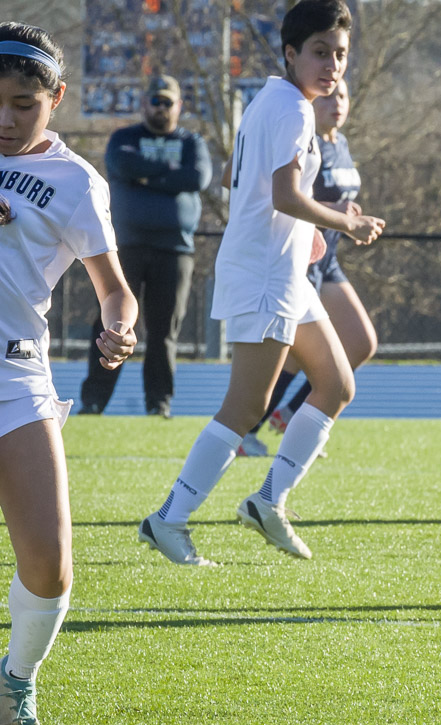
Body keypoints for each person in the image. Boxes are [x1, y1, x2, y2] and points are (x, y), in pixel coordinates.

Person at [138, 0, 383, 566]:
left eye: (341, 54)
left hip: (283, 271)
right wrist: (347, 221)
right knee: (245, 407)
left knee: (337, 385)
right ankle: (168, 520)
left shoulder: (271, 100)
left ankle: (268, 502)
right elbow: (283, 195)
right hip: (266, 277)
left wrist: (304, 237)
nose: (332, 65)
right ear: (292, 53)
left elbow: (238, 179)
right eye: (321, 52)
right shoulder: (295, 111)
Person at [0, 23, 138, 725]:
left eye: (23, 103)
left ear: (55, 99)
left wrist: (118, 329)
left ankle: (17, 679)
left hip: (11, 377)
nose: (3, 117)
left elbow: (115, 291)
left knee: (50, 564)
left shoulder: (76, 183)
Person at [239, 76, 382, 457]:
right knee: (286, 357)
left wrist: (346, 220)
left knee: (361, 341)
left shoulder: (341, 144)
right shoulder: (303, 138)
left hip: (327, 258)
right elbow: (280, 193)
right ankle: (246, 428)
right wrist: (334, 214)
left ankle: (292, 416)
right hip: (297, 259)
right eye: (330, 96)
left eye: (344, 96)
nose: (337, 102)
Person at [79, 74, 212, 418]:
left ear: (179, 106)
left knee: (164, 330)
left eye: (168, 102)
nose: (161, 108)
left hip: (175, 249)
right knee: (112, 325)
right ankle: (93, 402)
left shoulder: (191, 142)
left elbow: (196, 178)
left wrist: (145, 176)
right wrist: (170, 175)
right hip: (127, 246)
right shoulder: (124, 138)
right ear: (144, 104)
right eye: (155, 101)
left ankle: (159, 404)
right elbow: (123, 165)